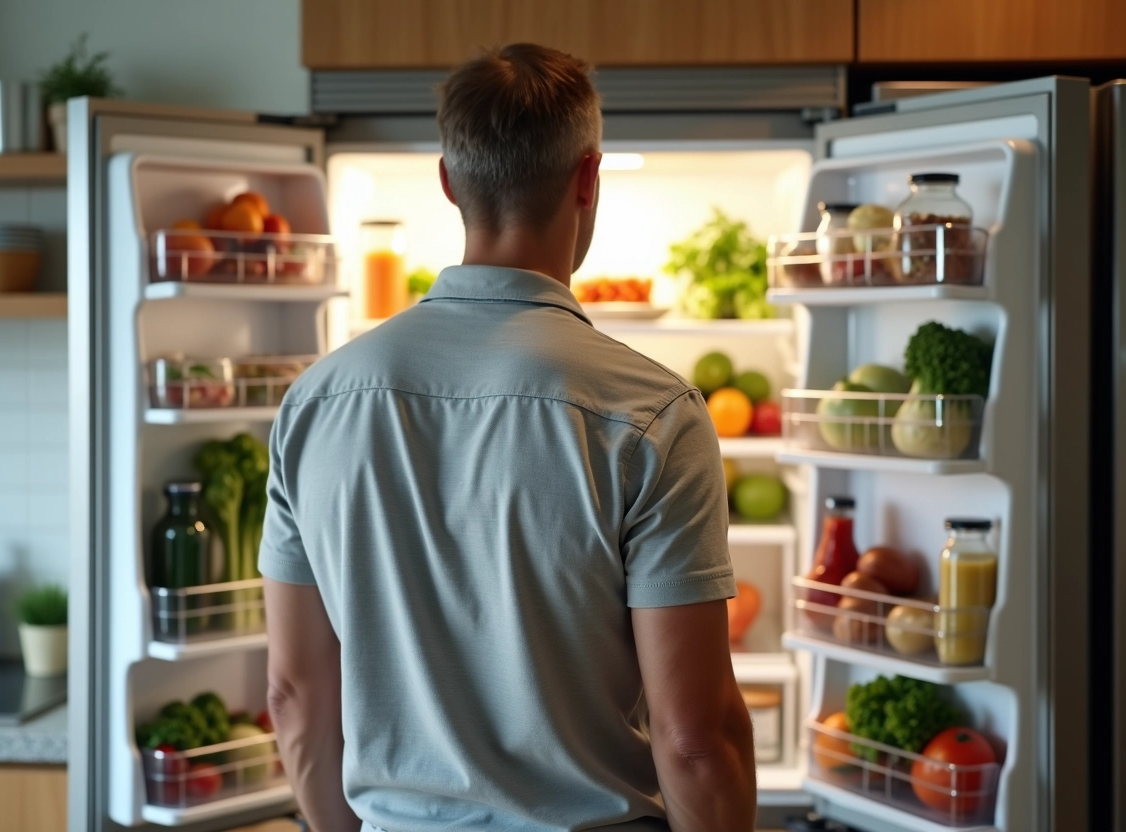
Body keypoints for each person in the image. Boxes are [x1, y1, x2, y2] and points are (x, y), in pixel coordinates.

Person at [260, 43, 756, 832]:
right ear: (588, 179)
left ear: (449, 181)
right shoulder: (653, 413)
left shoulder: (315, 404)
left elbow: (294, 697)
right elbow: (695, 740)